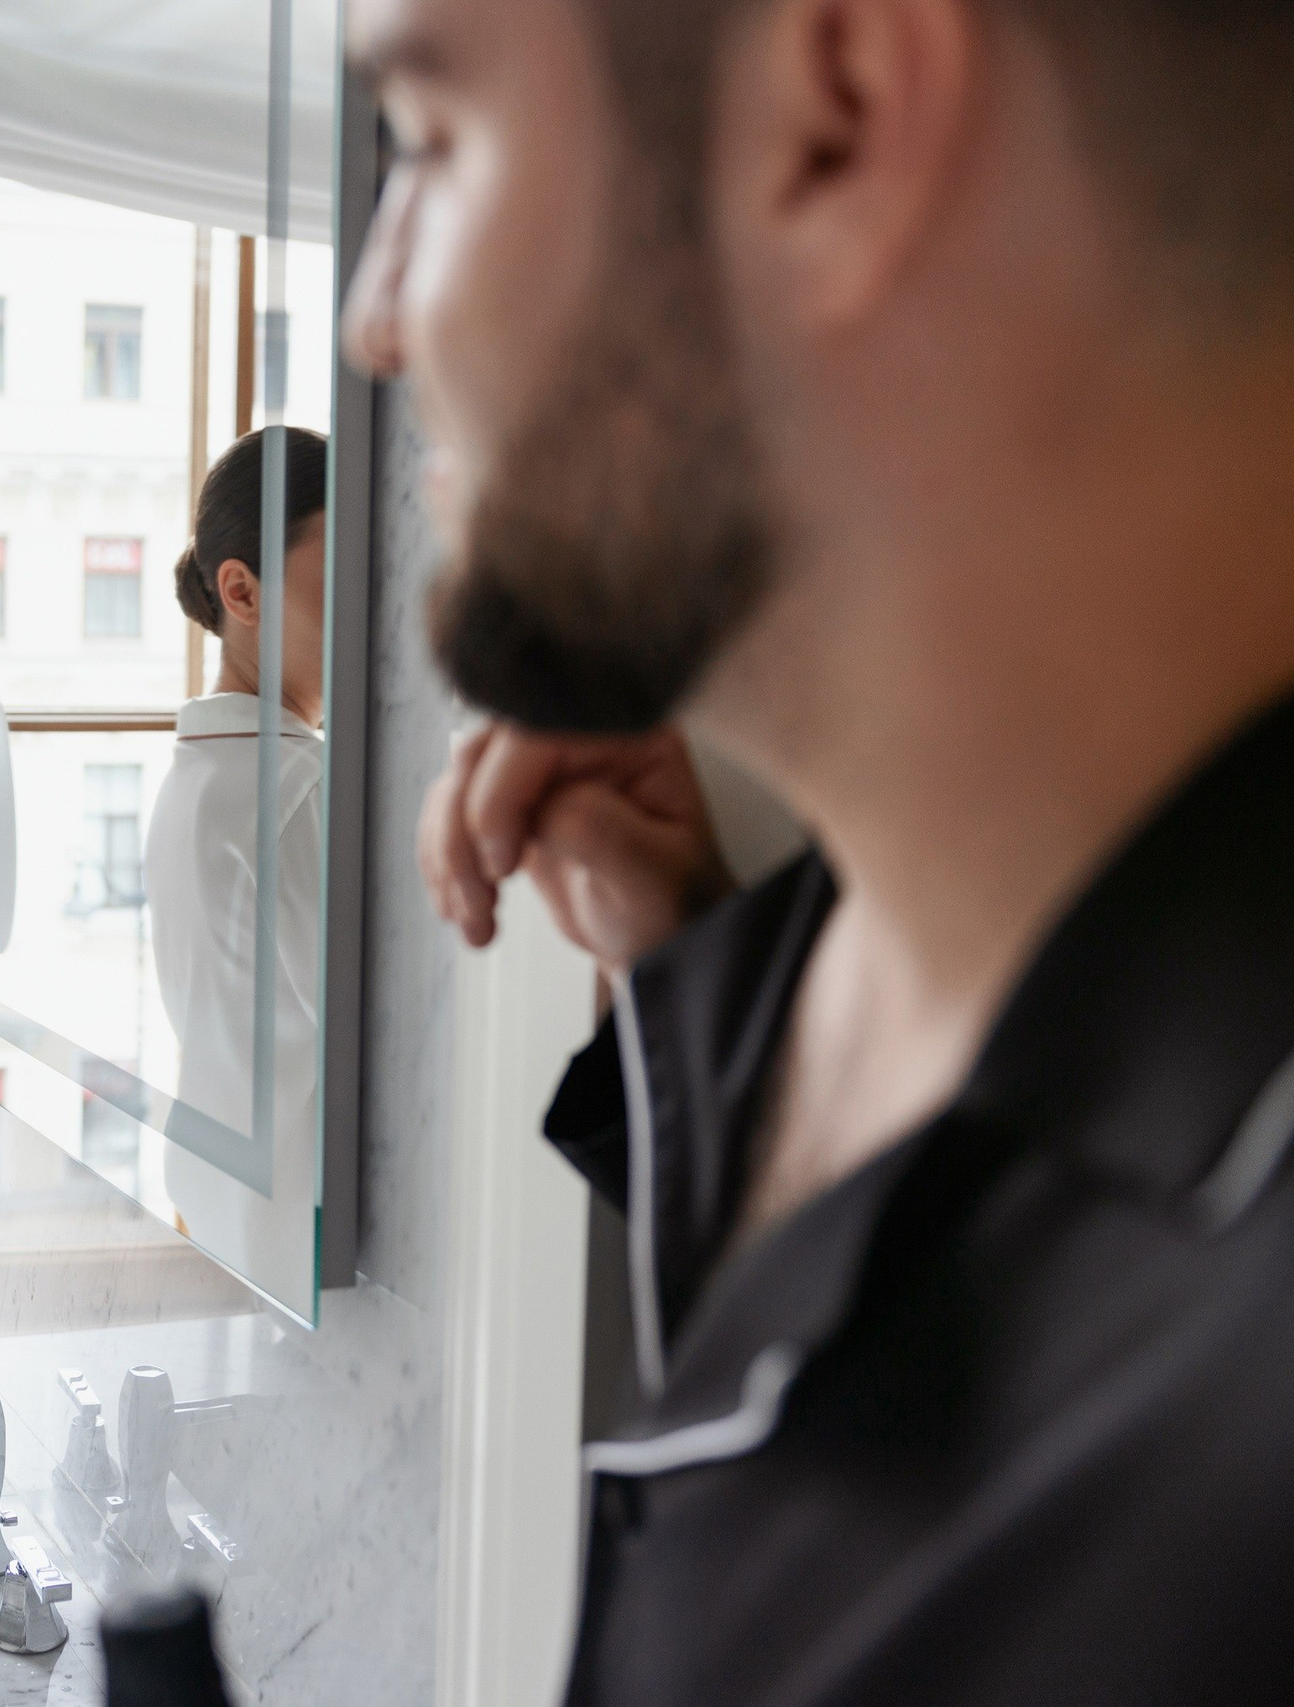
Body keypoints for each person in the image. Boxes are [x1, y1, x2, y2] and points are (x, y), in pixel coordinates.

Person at [344, 0, 1294, 1700]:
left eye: (432, 146)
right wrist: (695, 971)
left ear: (836, 119)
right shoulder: (800, 986)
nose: (378, 318)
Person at [144, 427, 327, 1285]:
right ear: (242, 591)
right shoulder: (296, 784)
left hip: (226, 1224)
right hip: (305, 1251)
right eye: (341, 583)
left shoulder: (195, 779)